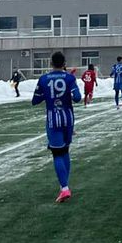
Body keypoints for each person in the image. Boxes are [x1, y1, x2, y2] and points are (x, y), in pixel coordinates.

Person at [31, 51, 82, 202]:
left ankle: (65, 188)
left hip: (53, 120)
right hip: (68, 119)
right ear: (64, 63)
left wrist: (47, 96)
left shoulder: (43, 79)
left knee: (57, 153)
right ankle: (64, 185)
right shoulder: (69, 78)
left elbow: (35, 100)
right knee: (65, 150)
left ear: (51, 63)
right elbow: (78, 98)